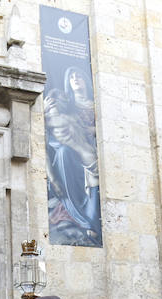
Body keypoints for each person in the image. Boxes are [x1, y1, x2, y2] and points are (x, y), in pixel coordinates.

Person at [43, 67, 102, 245]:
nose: (76, 79)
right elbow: (45, 146)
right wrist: (53, 178)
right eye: (72, 77)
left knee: (93, 187)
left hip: (88, 154)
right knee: (63, 153)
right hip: (75, 158)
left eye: (79, 76)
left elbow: (90, 131)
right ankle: (86, 222)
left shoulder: (79, 113)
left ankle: (91, 223)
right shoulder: (56, 116)